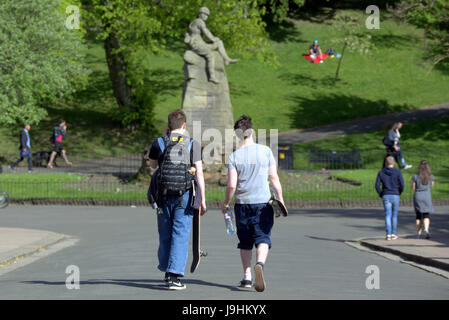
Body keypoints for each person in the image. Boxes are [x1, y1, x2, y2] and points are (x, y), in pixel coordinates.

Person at [222, 115, 283, 292]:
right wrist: (280, 198)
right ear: (252, 132)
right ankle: (260, 264)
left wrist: (225, 203)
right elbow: (273, 177)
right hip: (263, 203)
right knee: (263, 237)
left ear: (238, 135)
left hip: (242, 204)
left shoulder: (234, 156)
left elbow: (232, 184)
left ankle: (247, 276)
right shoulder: (265, 151)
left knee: (245, 241)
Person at [148, 109, 206, 290]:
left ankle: (167, 271)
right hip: (185, 195)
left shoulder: (159, 143)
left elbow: (152, 165)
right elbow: (200, 173)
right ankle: (175, 277)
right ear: (184, 126)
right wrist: (202, 199)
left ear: (168, 126)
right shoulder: (192, 144)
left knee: (165, 234)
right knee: (180, 234)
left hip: (163, 196)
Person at [184, 7, 238, 84]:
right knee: (210, 54)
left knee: (219, 42)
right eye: (205, 14)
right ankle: (212, 77)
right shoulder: (199, 21)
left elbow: (205, 33)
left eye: (207, 15)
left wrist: (213, 39)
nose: (206, 16)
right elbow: (206, 32)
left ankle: (226, 59)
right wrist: (213, 39)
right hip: (196, 45)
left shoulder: (196, 22)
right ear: (200, 14)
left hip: (199, 43)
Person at [375, 156, 404, 241]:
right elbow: (402, 184)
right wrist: (399, 192)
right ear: (393, 163)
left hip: (386, 195)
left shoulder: (381, 172)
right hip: (395, 194)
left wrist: (381, 194)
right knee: (394, 216)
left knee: (388, 215)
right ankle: (393, 234)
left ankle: (388, 234)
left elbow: (377, 185)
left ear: (385, 163)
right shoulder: (397, 172)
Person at [412, 160, 435, 239]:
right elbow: (431, 186)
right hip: (426, 196)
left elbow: (413, 187)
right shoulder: (431, 176)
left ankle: (418, 234)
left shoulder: (415, 176)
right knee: (426, 215)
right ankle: (426, 230)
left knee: (418, 216)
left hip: (418, 196)